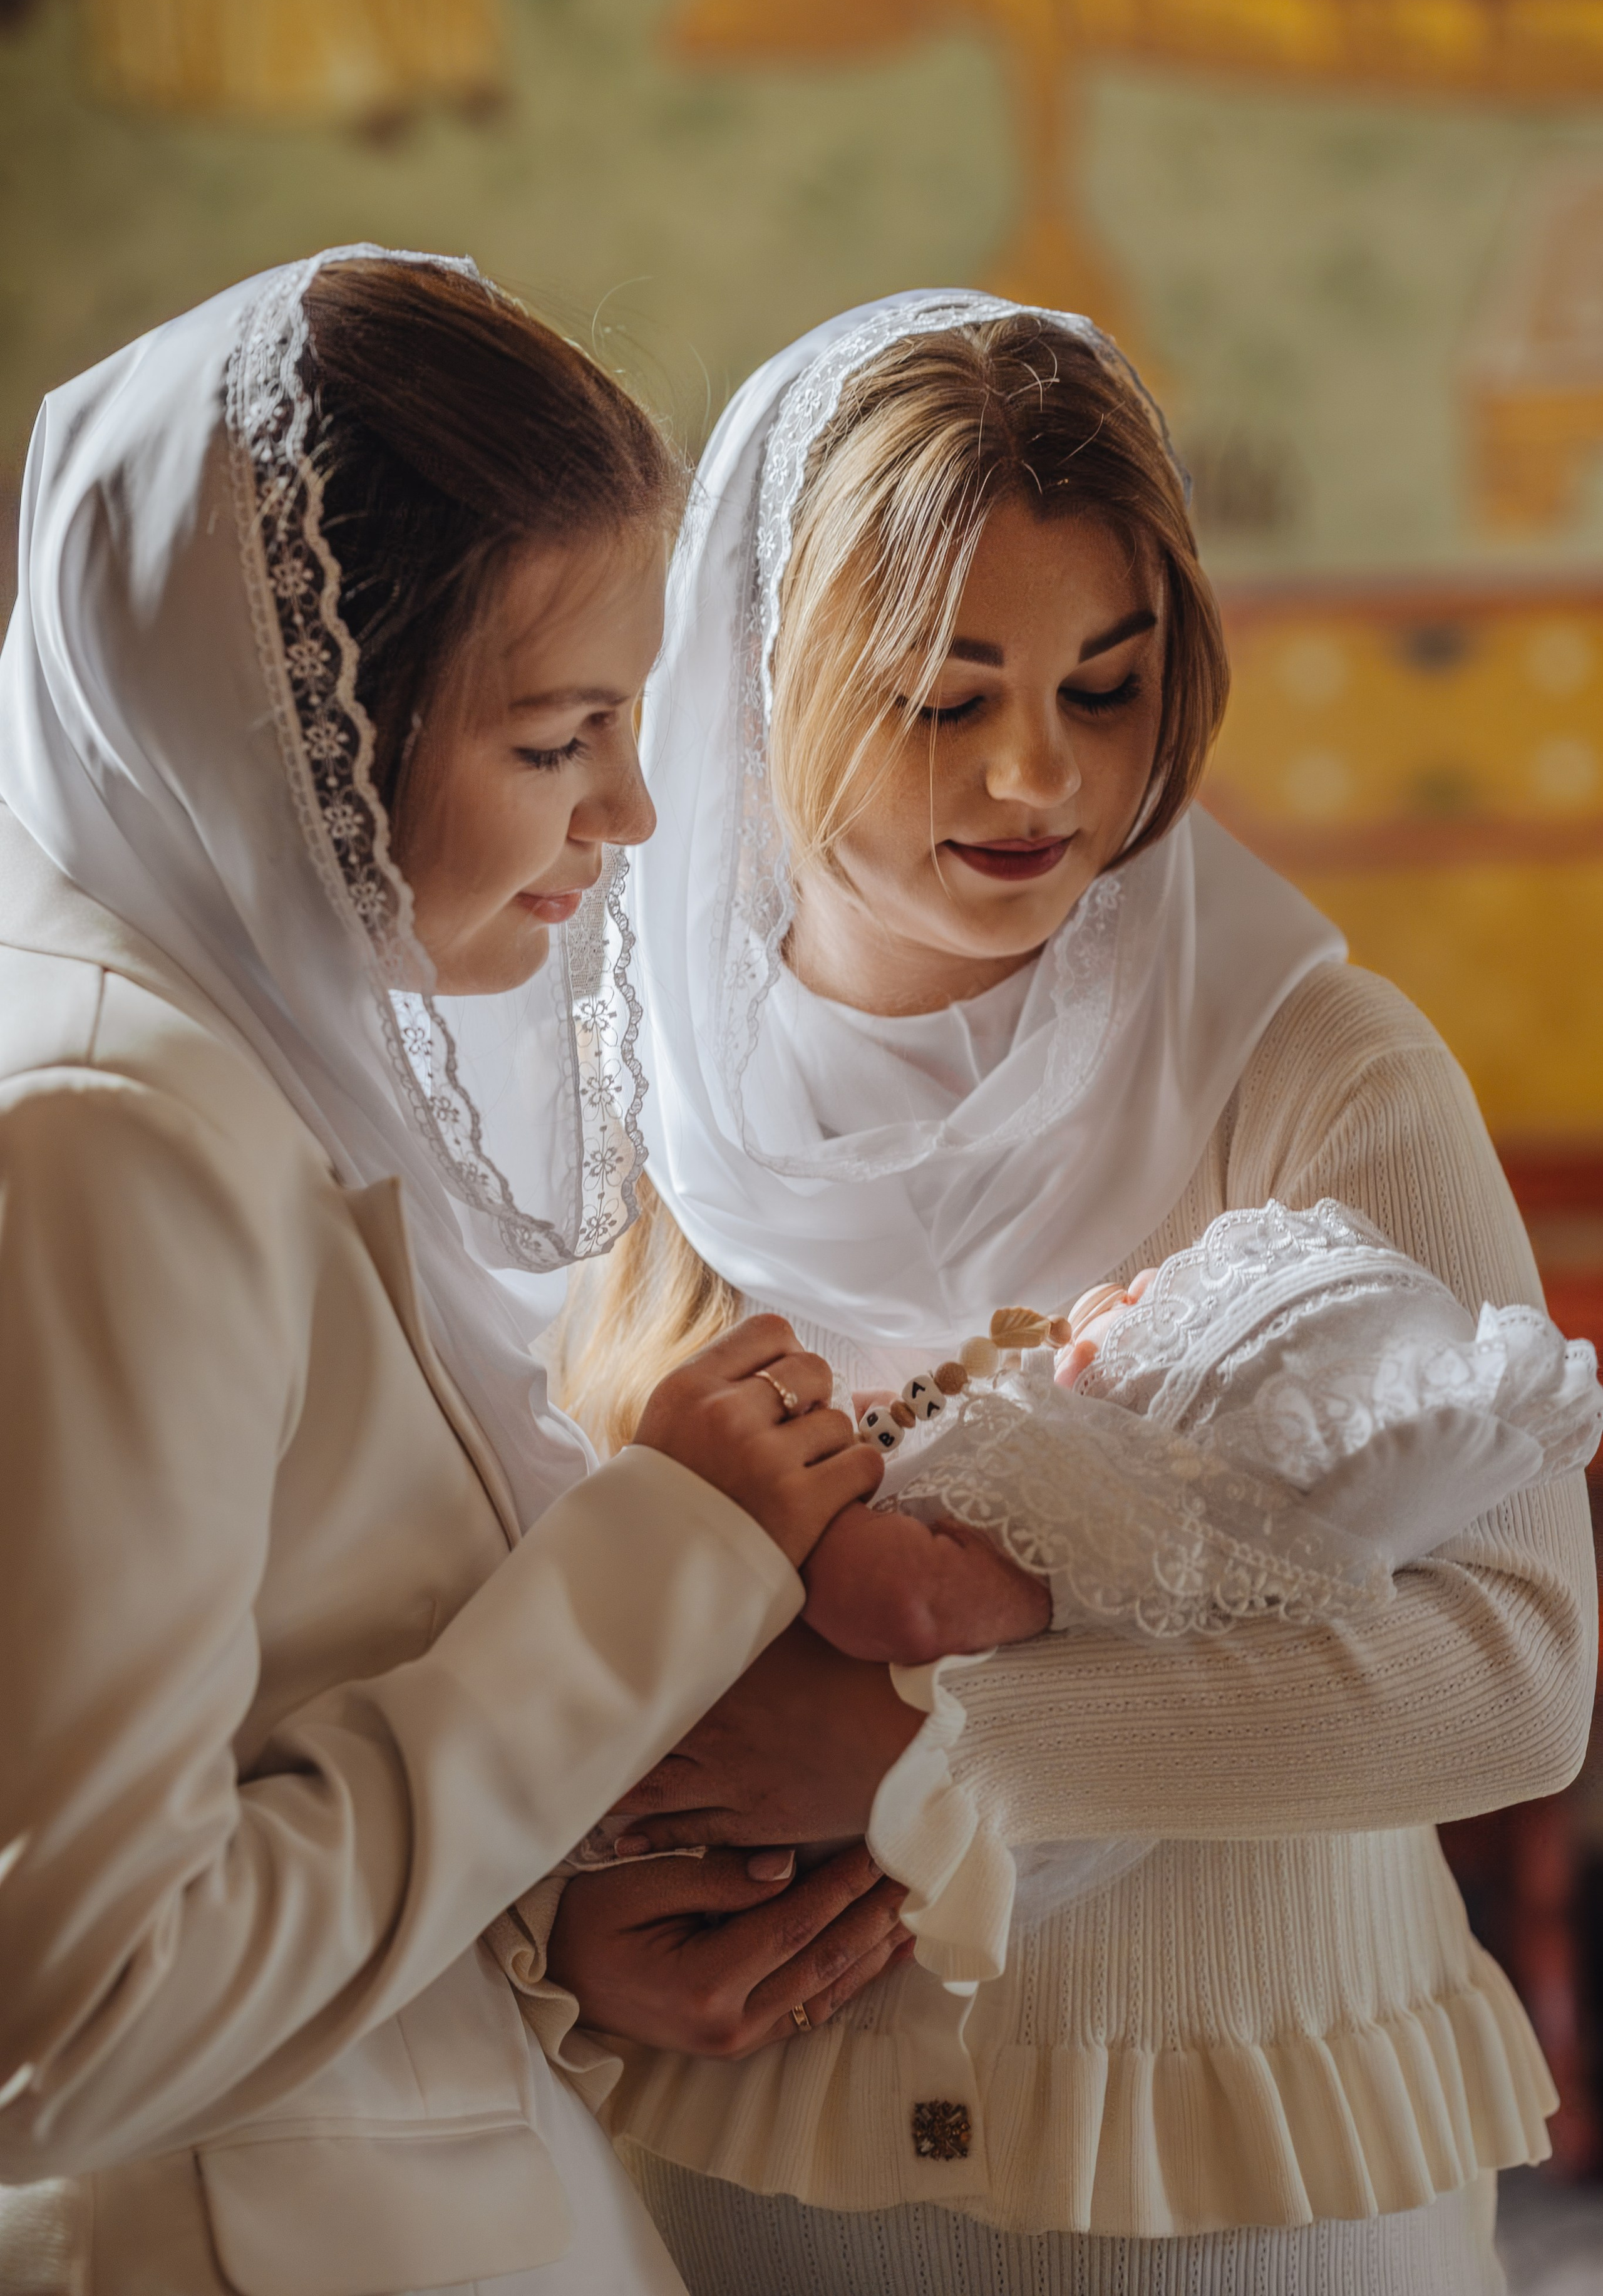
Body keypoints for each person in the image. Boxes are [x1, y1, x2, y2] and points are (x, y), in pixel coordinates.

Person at [548, 293, 1597, 2295]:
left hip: (1239, 2164)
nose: (1037, 775)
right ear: (758, 687)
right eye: (944, 698)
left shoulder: (1314, 1069)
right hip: (749, 2164)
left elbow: (1517, 1666)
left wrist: (944, 1740)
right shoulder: (605, 1099)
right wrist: (562, 1914)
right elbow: (463, 1621)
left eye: (1105, 692)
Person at [0, 249, 905, 2296]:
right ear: (291, 721)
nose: (635, 811)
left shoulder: (219, 1052)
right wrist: (657, 1564)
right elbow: (68, 2014)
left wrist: (534, 1914)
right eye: (557, 736)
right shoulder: (109, 1132)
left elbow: (276, 1731)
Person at [798, 1198, 1602, 1668]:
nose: (1134, 1282)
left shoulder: (1100, 1531)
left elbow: (910, 1604)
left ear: (1183, 1428)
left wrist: (801, 1513)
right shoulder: (1047, 1434)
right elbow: (900, 1430)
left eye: (1162, 1305)